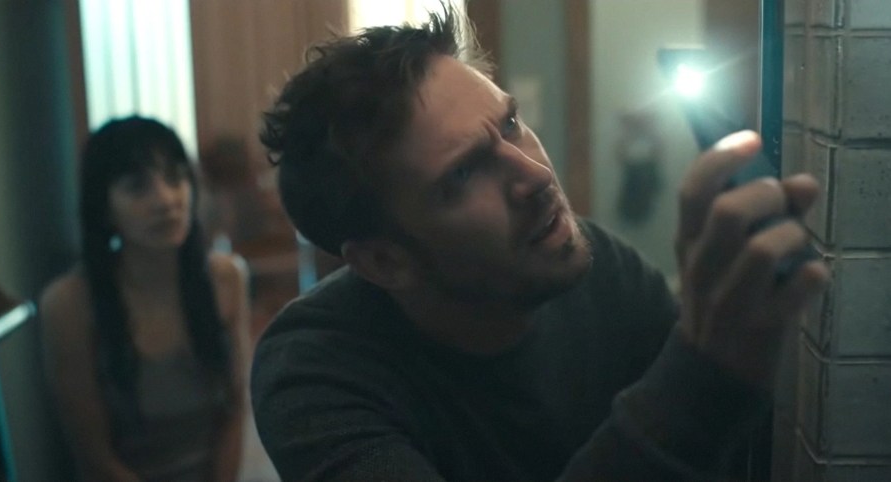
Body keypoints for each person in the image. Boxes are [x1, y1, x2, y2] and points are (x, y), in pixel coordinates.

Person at [251, 7, 829, 482]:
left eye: (510, 125)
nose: (535, 174)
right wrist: (702, 371)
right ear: (384, 260)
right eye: (464, 173)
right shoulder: (314, 371)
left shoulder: (609, 277)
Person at [40, 116, 250, 481]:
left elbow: (234, 414)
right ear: (104, 206)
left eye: (175, 178)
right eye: (138, 187)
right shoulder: (68, 303)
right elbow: (93, 457)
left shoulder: (226, 277)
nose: (166, 201)